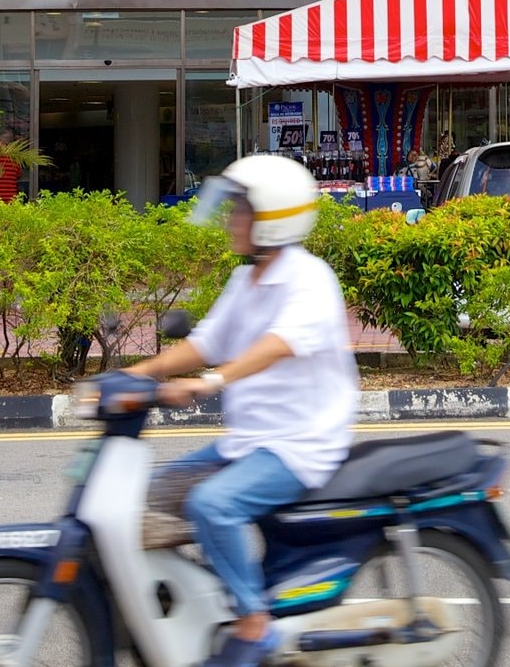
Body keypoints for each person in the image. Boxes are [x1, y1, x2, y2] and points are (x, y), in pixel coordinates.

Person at [132, 154, 358, 667]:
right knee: (151, 497)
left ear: (274, 220)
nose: (231, 220)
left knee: (214, 504)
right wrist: (138, 374)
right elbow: (206, 343)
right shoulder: (244, 281)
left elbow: (278, 344)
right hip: (249, 441)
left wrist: (211, 381)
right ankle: (203, 599)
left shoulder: (309, 279)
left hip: (297, 444)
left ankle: (254, 623)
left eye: (241, 211)